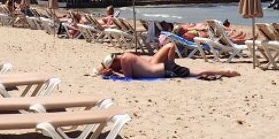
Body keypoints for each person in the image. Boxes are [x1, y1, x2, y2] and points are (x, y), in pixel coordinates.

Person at [98, 43, 240, 80]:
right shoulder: (125, 56)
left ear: (114, 63)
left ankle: (225, 72)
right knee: (195, 72)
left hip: (165, 70)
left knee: (197, 73)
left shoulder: (124, 59)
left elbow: (128, 77)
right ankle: (224, 72)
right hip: (164, 68)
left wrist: (113, 74)